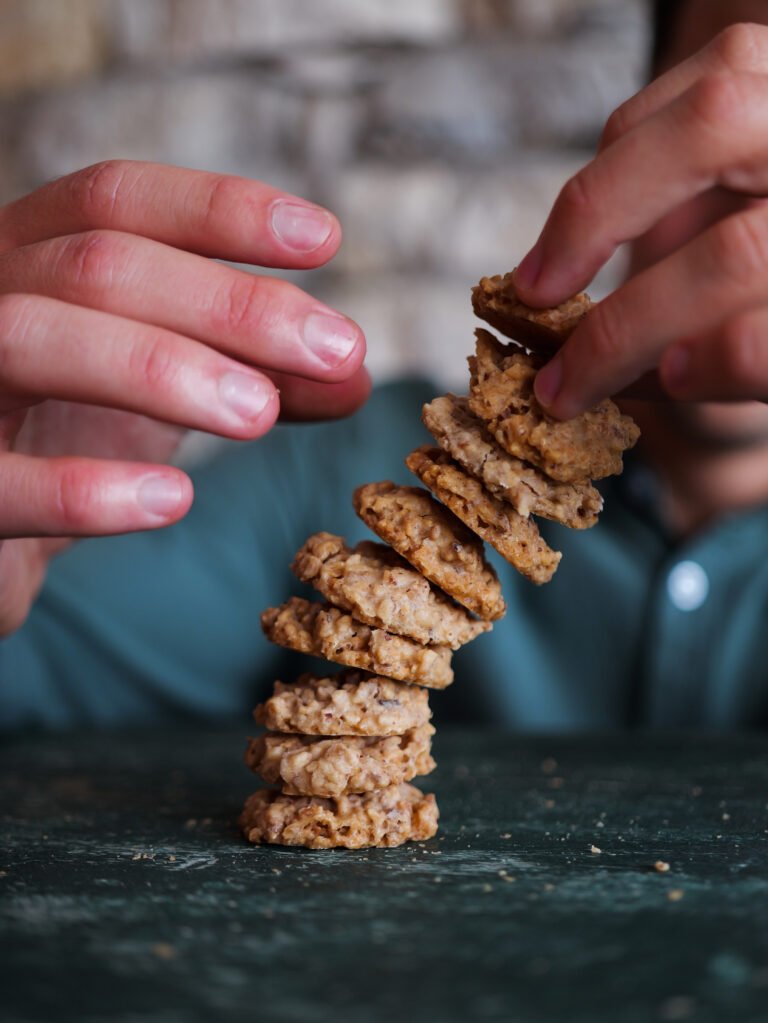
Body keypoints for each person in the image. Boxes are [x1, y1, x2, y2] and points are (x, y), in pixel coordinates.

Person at [3, 0, 768, 731]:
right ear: (640, 118)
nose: (745, 223)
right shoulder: (342, 469)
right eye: (729, 118)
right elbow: (31, 665)